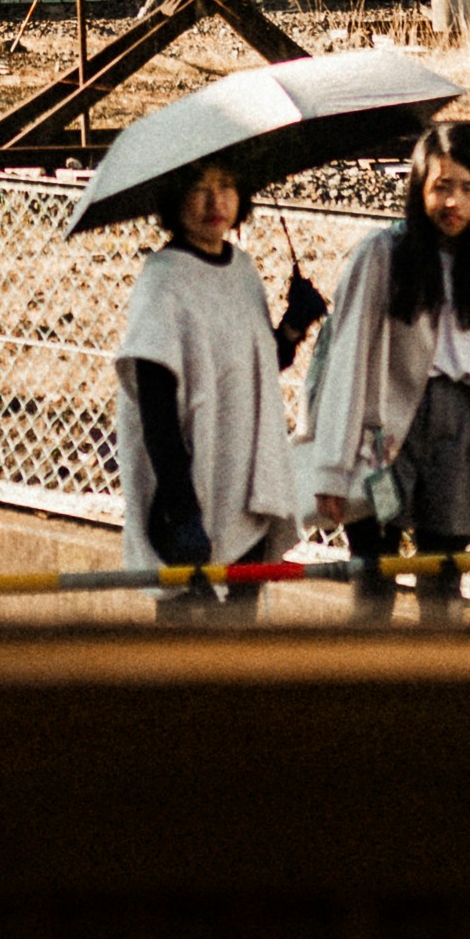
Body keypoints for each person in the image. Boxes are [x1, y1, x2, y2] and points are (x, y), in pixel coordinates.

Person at [305, 120, 470, 613]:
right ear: (419, 188)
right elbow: (347, 358)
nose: (454, 203)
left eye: (468, 189)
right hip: (384, 434)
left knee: (443, 575)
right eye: (441, 187)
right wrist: (333, 467)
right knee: (374, 568)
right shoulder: (383, 255)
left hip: (460, 432)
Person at [114, 157, 327, 615]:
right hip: (191, 496)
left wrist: (292, 326)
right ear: (174, 196)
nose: (216, 201)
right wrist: (181, 510)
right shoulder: (163, 281)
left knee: (239, 641)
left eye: (226, 185)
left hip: (246, 490)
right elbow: (155, 411)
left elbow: (255, 369)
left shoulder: (242, 270)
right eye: (200, 187)